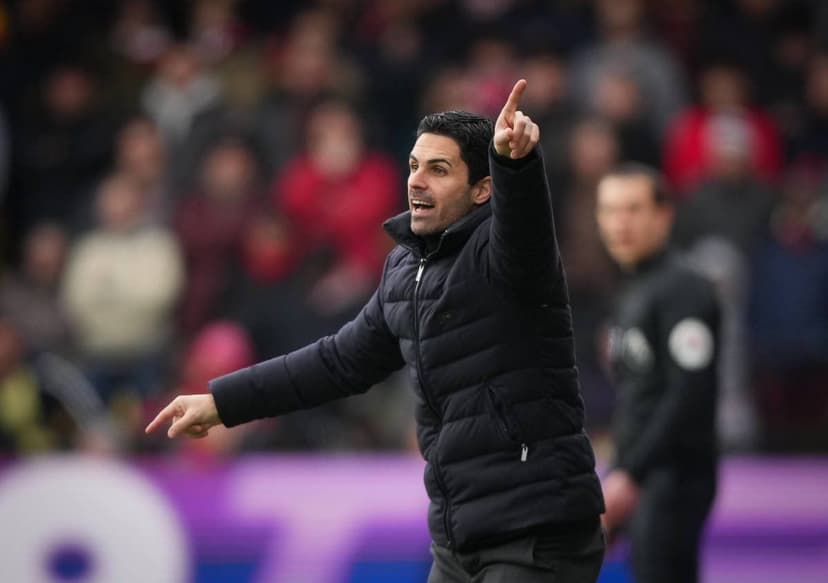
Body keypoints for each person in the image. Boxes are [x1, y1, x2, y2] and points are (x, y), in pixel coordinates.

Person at [147, 80, 606, 582]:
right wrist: (222, 403)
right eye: (413, 166)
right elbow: (337, 362)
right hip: (460, 540)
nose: (417, 182)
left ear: (482, 189)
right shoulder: (404, 270)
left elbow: (525, 226)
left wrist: (515, 165)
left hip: (536, 531)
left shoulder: (506, 256)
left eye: (439, 169)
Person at [595, 164, 720, 583]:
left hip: (675, 474)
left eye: (633, 209)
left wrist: (630, 474)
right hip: (644, 470)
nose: (620, 223)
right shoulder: (631, 289)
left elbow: (689, 393)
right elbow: (638, 395)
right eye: (610, 210)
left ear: (664, 215)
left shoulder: (684, 288)